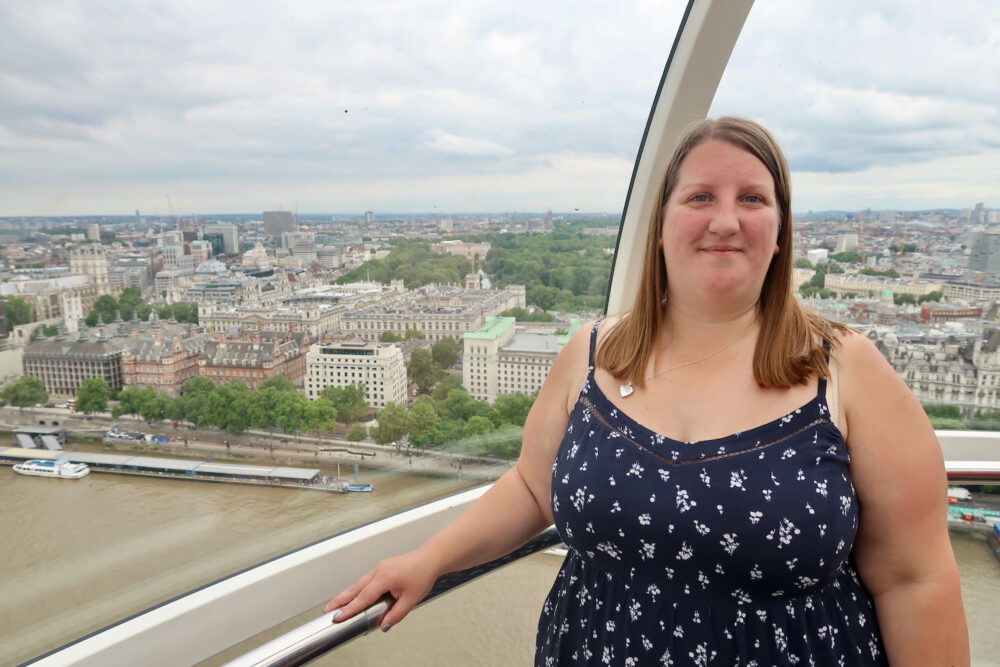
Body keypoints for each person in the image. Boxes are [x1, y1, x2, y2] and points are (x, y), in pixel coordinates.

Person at [326, 117, 968, 665]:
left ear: (780, 232)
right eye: (699, 198)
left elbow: (917, 578)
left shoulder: (847, 370)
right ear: (659, 226)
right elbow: (532, 486)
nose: (725, 220)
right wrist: (431, 559)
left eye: (751, 199)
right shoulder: (591, 352)